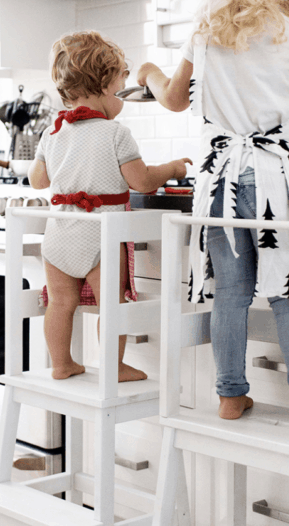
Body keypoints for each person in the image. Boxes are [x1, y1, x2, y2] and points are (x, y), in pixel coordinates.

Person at [135, 0, 289, 420]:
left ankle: (230, 394)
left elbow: (172, 98)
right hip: (273, 180)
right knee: (286, 289)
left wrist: (148, 72)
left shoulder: (208, 30)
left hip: (217, 182)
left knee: (230, 291)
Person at [29, 30, 192, 381]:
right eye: (121, 86)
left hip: (58, 238)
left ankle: (61, 364)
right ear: (105, 86)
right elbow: (144, 181)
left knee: (60, 304)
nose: (122, 96)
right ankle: (114, 367)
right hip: (101, 237)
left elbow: (37, 181)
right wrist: (173, 169)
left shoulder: (52, 132)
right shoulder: (115, 133)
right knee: (112, 306)